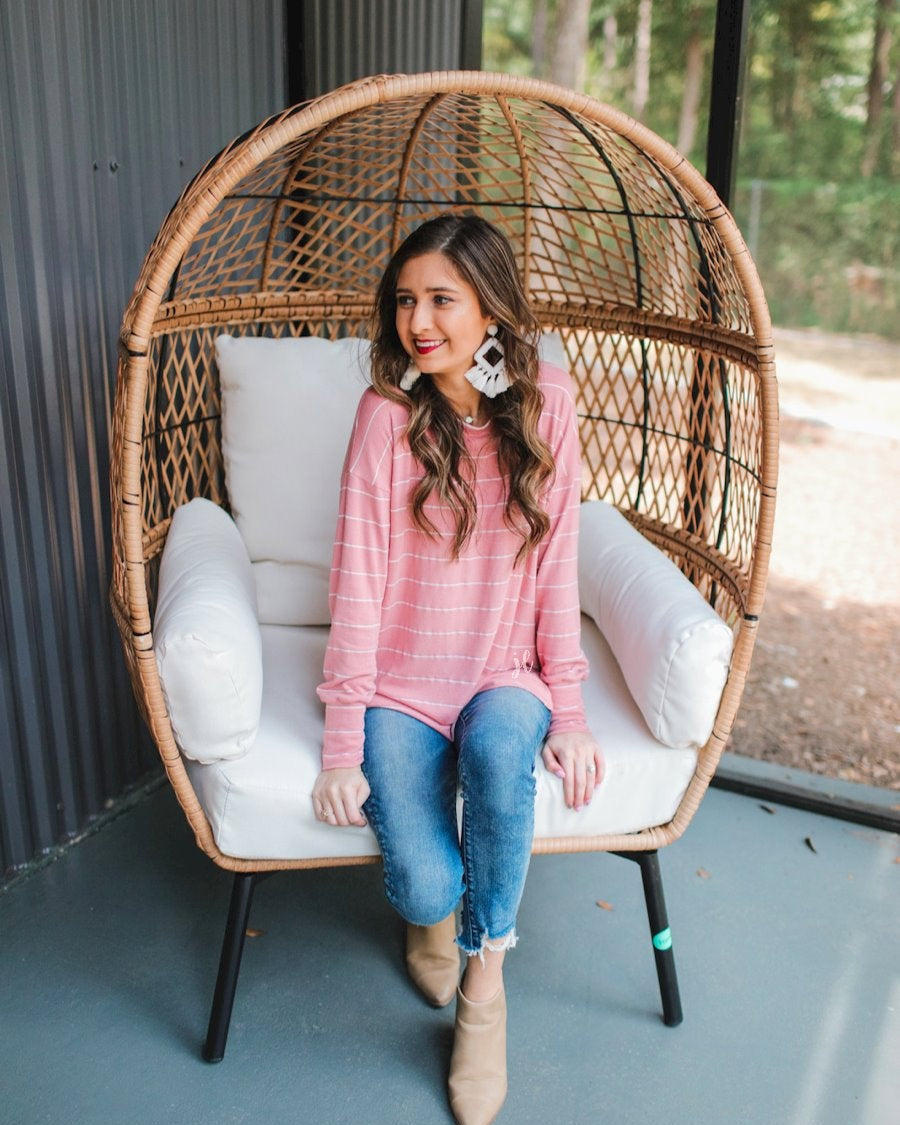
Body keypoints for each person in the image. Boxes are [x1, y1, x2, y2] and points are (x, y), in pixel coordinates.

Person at [313, 214, 602, 1125]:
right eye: (405, 300)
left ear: (492, 309)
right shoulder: (386, 415)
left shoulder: (548, 399)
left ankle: (487, 985)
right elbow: (356, 582)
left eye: (442, 298)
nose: (418, 320)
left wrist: (573, 711)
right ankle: (437, 917)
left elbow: (559, 568)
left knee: (500, 765)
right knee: (422, 887)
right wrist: (339, 744)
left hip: (504, 672)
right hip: (400, 687)